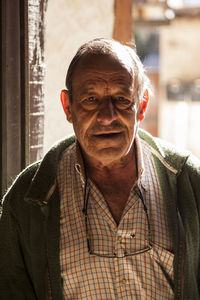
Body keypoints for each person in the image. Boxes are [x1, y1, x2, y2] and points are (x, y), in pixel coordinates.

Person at [0, 38, 200, 300]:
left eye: (121, 98)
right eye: (91, 99)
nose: (107, 116)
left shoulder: (188, 184)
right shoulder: (29, 198)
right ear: (68, 107)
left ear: (141, 105)